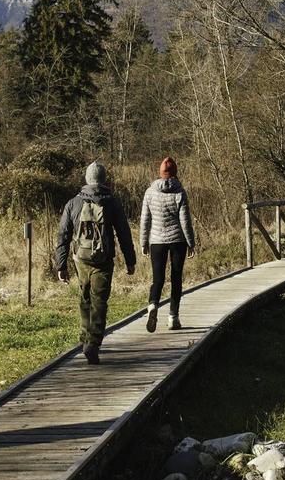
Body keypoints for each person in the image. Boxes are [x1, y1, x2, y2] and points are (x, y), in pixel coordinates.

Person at [55, 161, 135, 364]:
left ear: (87, 179)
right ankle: (93, 342)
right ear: (104, 179)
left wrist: (61, 265)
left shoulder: (73, 203)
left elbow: (63, 235)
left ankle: (85, 338)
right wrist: (130, 260)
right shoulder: (112, 202)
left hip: (81, 258)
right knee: (99, 300)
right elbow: (124, 233)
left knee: (84, 297)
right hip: (103, 259)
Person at [140, 156, 196, 332]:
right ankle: (173, 317)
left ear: (160, 172)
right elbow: (185, 221)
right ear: (175, 173)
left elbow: (145, 219)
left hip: (156, 241)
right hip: (178, 241)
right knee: (176, 278)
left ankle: (153, 305)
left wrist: (143, 242)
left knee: (158, 279)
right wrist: (191, 242)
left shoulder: (150, 192)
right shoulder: (180, 192)